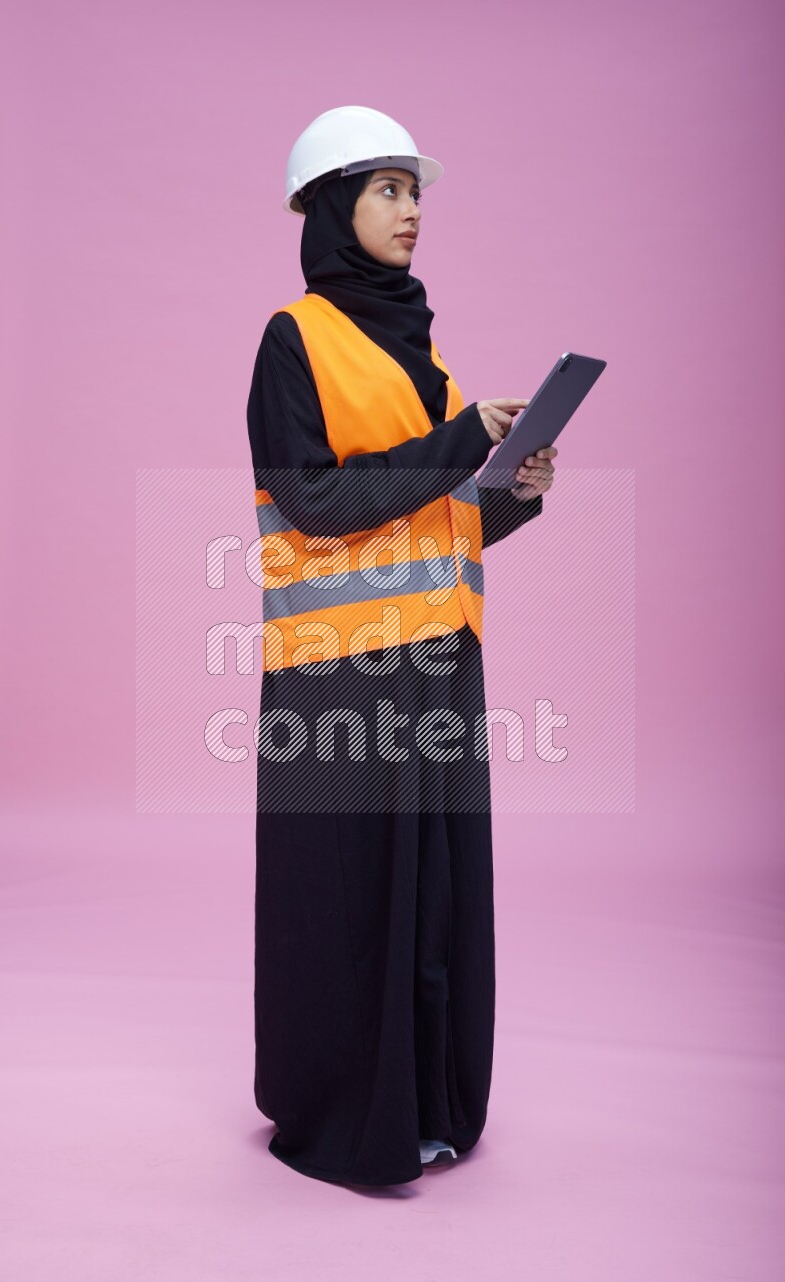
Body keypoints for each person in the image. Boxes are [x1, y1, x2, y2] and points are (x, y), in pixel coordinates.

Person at [245, 105, 557, 1186]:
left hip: (436, 661)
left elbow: (436, 514)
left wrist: (509, 491)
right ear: (334, 205)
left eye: (413, 190)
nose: (411, 209)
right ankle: (342, 1115)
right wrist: (454, 443)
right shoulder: (295, 338)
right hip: (342, 676)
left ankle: (426, 1104)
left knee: (430, 895)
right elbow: (313, 497)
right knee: (348, 903)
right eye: (385, 189)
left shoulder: (421, 344)